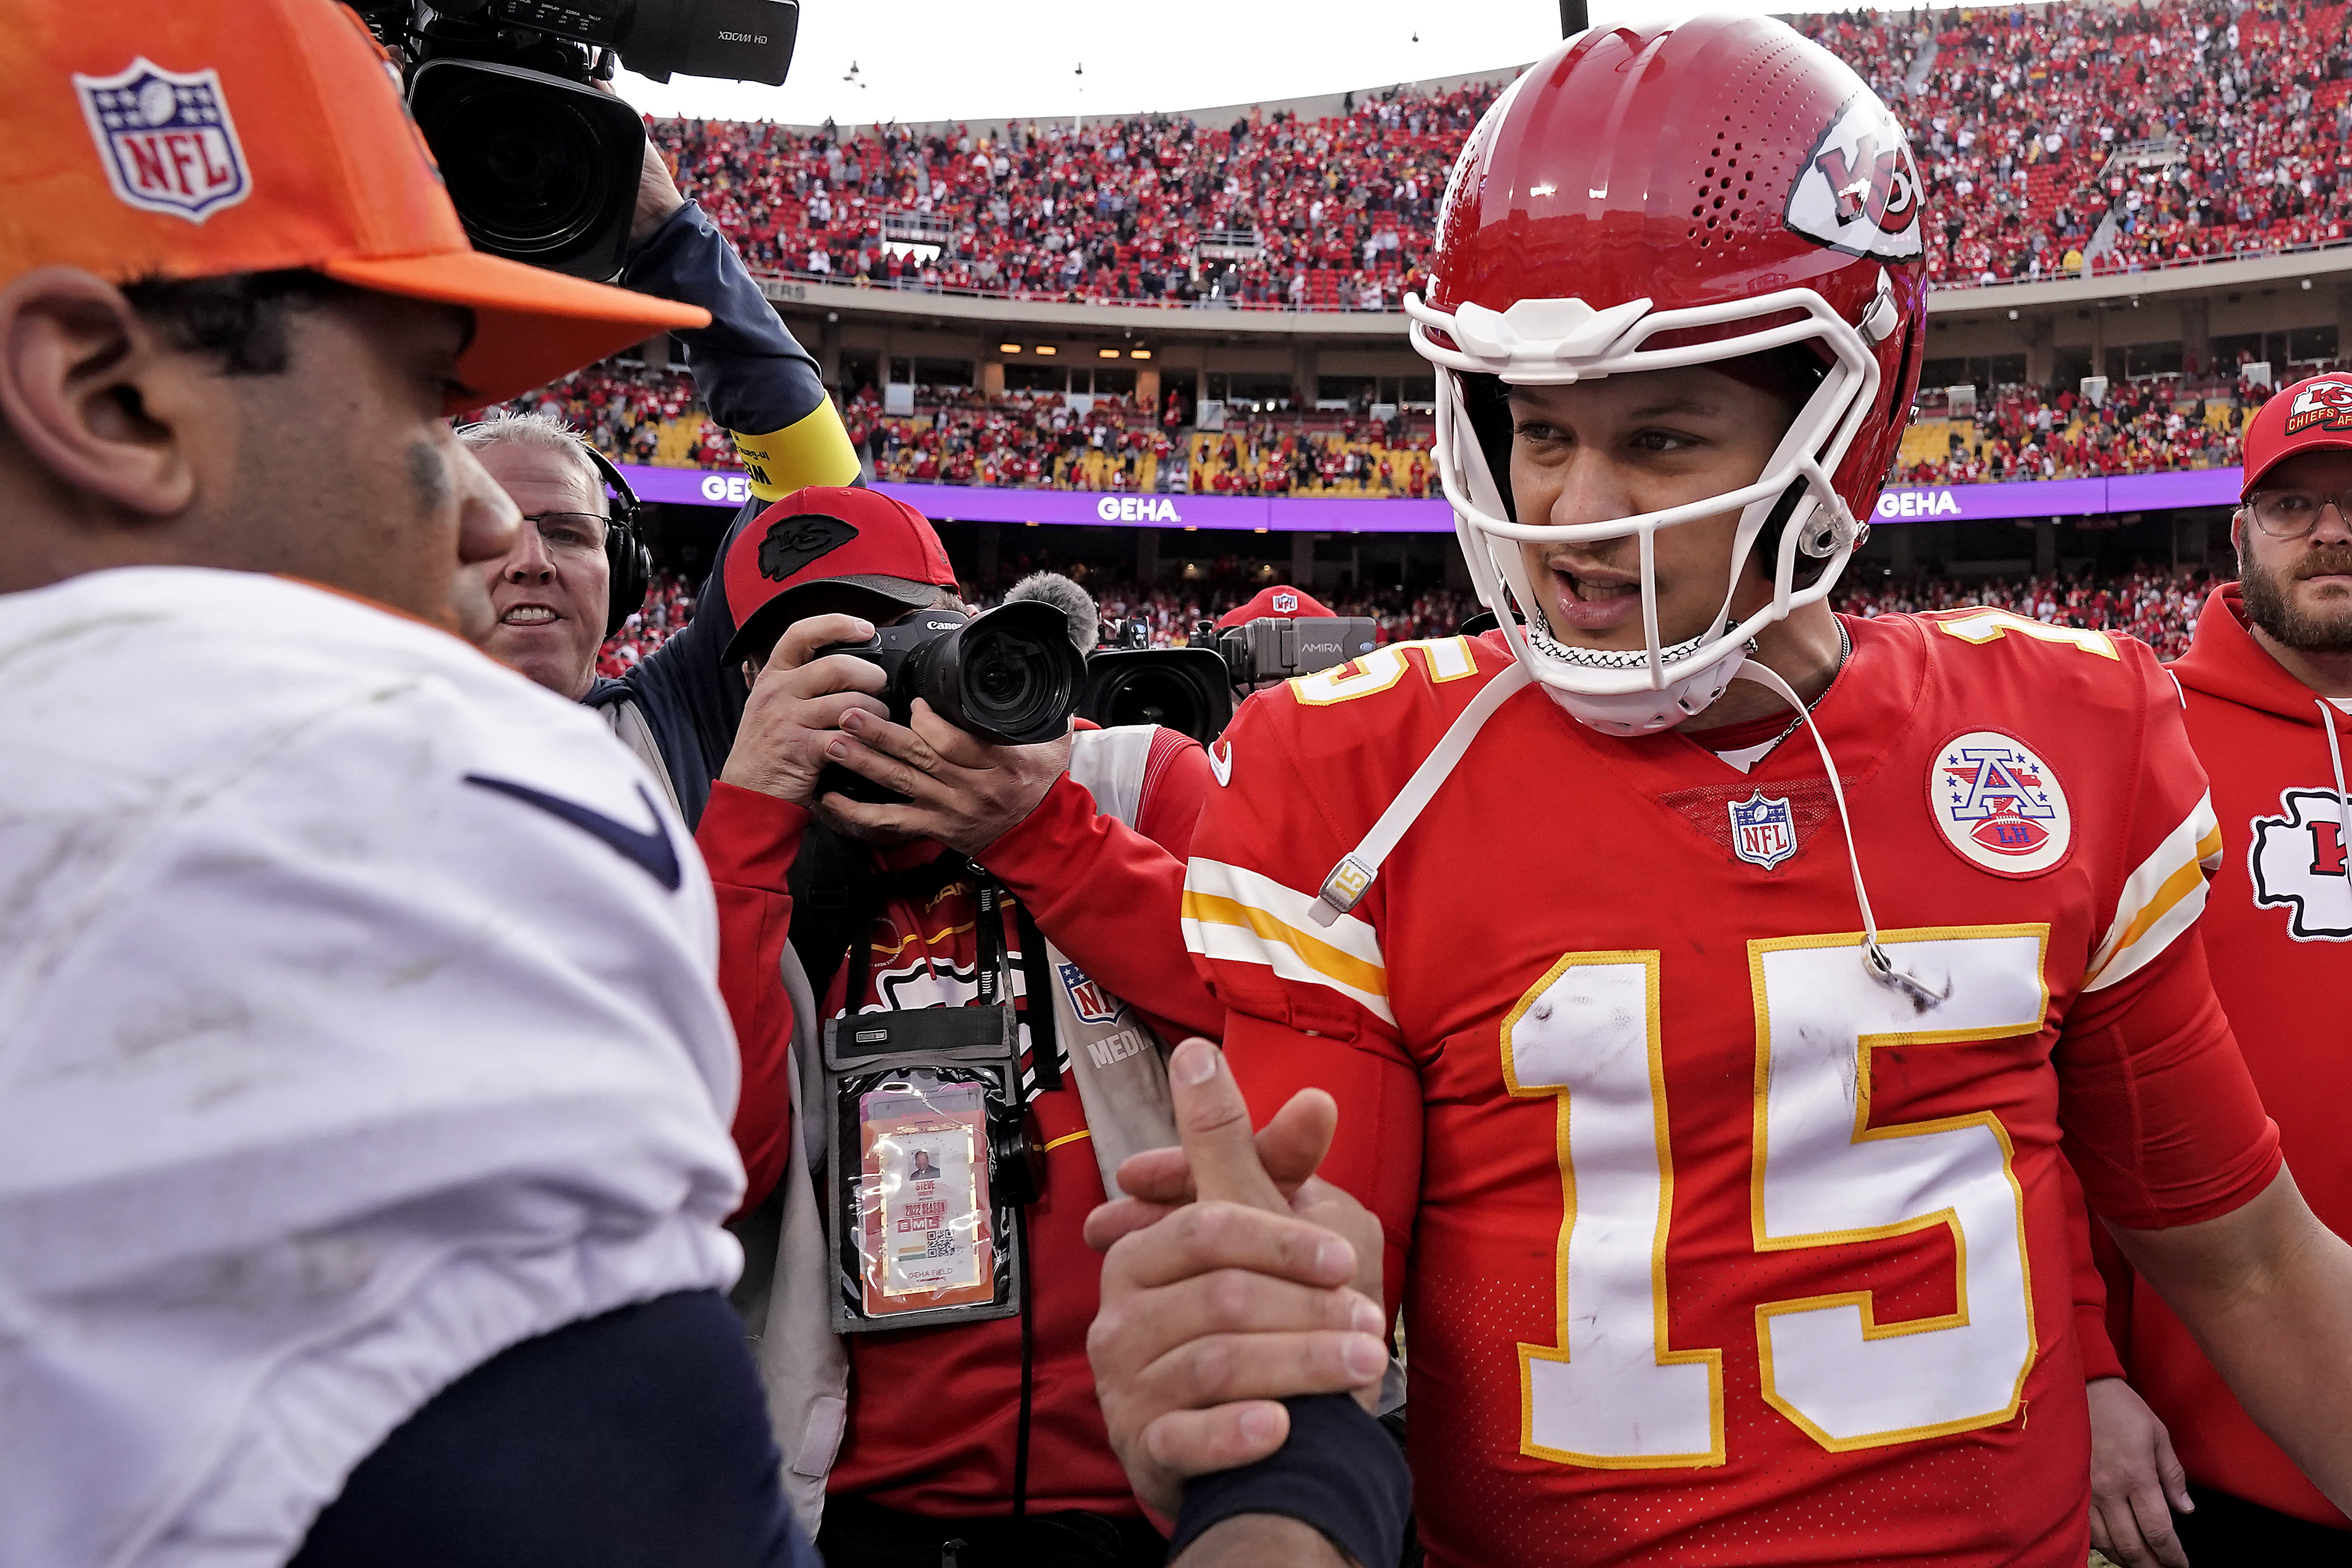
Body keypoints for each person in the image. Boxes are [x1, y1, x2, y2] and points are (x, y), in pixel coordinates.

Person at [1100, 18, 2352, 1567]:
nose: (1570, 511)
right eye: (1540, 431)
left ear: (1843, 427)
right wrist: (1235, 1414)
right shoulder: (1351, 778)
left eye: (1663, 437)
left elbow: (2246, 1266)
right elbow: (1315, 1345)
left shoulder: (2070, 730)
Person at [0, 4, 815, 1564]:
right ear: (108, 400)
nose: (494, 529)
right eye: (425, 407)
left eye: (570, 527)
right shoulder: (388, 786)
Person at [698, 485, 1220, 1565]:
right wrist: (746, 827)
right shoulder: (753, 866)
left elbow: (1260, 1025)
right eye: (813, 662)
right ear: (754, 689)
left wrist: (1037, 829)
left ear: (969, 628)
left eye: (890, 644)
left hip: (1152, 1480)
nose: (865, 697)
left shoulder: (1130, 780)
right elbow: (723, 1168)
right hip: (871, 1506)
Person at [2081, 372, 2352, 1563]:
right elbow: (2037, 1091)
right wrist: (2084, 1365)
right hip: (2222, 1456)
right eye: (2293, 504)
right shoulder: (2137, 739)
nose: (2332, 529)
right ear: (2236, 530)